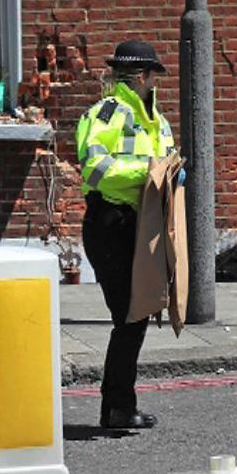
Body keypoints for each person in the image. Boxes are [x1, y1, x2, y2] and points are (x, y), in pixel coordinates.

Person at [75, 40, 181, 429]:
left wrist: (171, 173)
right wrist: (150, 172)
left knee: (136, 316)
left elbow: (165, 162)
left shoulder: (156, 120)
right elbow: (94, 169)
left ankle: (118, 407)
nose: (157, 85)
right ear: (141, 77)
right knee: (129, 316)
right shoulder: (107, 114)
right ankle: (117, 407)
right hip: (110, 224)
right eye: (155, 77)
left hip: (141, 224)